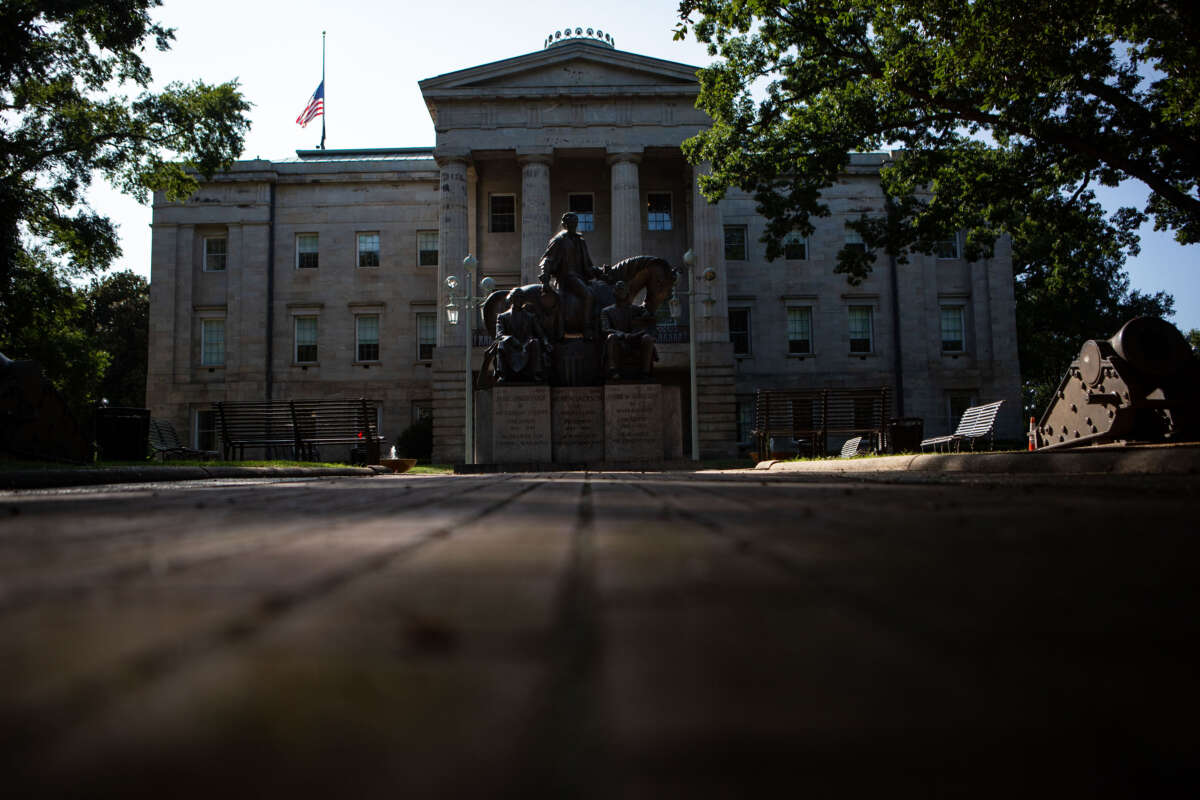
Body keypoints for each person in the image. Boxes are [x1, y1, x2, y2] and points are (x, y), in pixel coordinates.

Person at [538, 211, 599, 339]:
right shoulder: (559, 240)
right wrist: (545, 277)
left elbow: (587, 265)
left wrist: (600, 272)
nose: (573, 226)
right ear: (564, 224)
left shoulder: (580, 240)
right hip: (566, 278)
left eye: (575, 223)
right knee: (588, 295)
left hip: (580, 277)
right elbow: (547, 259)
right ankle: (586, 328)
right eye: (570, 223)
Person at [601, 281, 656, 380]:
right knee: (611, 337)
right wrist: (623, 335)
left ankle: (645, 373)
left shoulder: (635, 309)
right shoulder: (606, 311)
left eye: (623, 289)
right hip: (619, 341)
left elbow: (648, 316)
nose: (621, 292)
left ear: (627, 293)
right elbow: (605, 329)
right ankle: (613, 371)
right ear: (614, 293)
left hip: (635, 341)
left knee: (647, 338)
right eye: (619, 289)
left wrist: (647, 315)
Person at [494, 287, 551, 383]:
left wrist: (546, 343)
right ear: (511, 299)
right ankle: (502, 374)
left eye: (521, 298)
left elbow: (540, 333)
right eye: (517, 297)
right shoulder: (502, 317)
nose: (519, 300)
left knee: (535, 342)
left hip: (526, 345)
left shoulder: (530, 317)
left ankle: (536, 374)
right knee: (501, 344)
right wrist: (511, 339)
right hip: (511, 346)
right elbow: (499, 335)